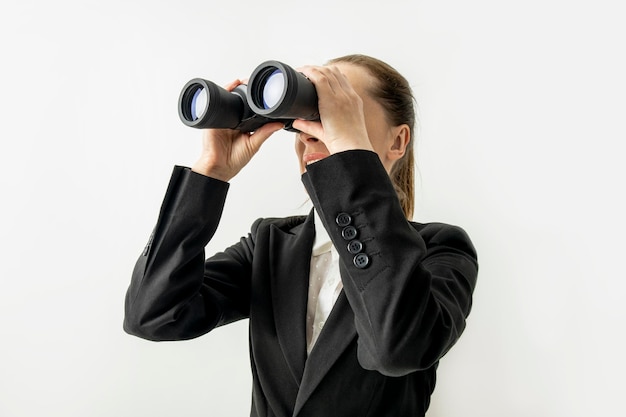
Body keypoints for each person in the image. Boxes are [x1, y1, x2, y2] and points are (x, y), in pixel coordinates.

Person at [124, 54, 478, 417]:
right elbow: (153, 315)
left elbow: (397, 349)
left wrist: (349, 155)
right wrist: (209, 174)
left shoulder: (439, 248)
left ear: (398, 141)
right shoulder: (271, 243)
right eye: (309, 112)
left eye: (342, 110)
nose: (312, 129)